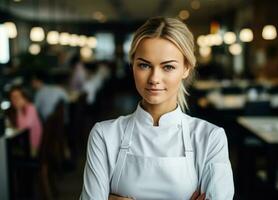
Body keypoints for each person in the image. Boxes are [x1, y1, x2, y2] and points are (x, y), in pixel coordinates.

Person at [80, 17, 234, 200]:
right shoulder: (104, 135)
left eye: (168, 67)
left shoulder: (210, 138)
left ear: (186, 68)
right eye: (144, 65)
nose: (154, 78)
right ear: (133, 66)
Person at [6, 86, 43, 157]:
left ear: (24, 97)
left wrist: (18, 110)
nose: (14, 100)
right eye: (12, 97)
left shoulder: (31, 107)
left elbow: (25, 127)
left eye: (17, 97)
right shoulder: (12, 110)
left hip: (33, 145)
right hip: (22, 143)